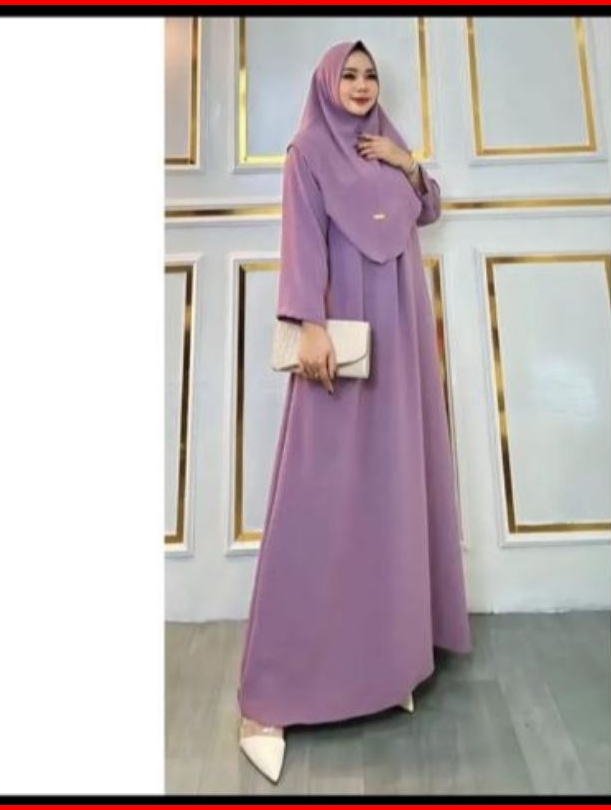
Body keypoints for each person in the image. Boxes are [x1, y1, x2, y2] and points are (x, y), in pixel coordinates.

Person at [237, 40, 472, 784]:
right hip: (340, 333)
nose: (363, 84)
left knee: (391, 491)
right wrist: (307, 323)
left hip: (401, 336)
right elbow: (302, 241)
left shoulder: (387, 147)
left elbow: (427, 208)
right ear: (327, 82)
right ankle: (269, 696)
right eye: (350, 73)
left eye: (370, 75)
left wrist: (407, 164)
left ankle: (385, 660)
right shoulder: (307, 153)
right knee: (320, 497)